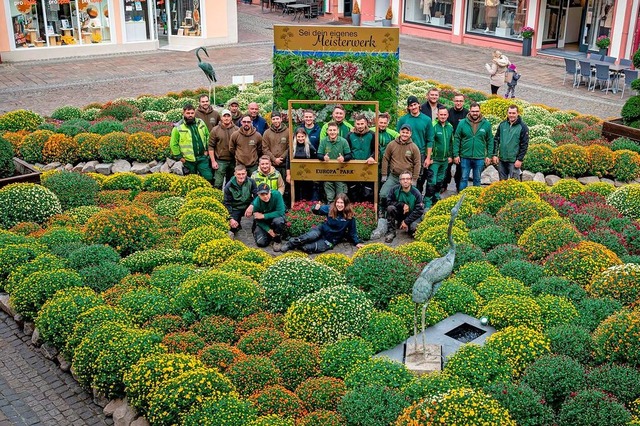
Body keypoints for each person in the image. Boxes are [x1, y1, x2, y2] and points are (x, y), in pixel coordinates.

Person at [279, 193, 364, 253]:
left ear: (346, 204)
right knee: (307, 238)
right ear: (335, 203)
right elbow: (316, 211)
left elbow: (352, 232)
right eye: (338, 202)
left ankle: (298, 245)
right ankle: (290, 244)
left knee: (307, 248)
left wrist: (356, 242)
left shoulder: (349, 217)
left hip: (330, 240)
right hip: (321, 230)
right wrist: (315, 208)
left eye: (342, 203)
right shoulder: (330, 208)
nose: (339, 205)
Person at [397, 95, 435, 196]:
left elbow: (430, 140)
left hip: (421, 153)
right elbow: (397, 137)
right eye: (411, 105)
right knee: (405, 176)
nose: (413, 107)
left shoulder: (426, 120)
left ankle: (417, 199)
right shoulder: (403, 120)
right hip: (405, 153)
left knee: (419, 178)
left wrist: (428, 157)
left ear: (418, 105)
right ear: (408, 107)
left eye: (415, 104)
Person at [380, 124, 421, 213]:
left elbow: (417, 163)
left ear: (410, 134)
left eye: (407, 133)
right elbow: (385, 158)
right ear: (399, 132)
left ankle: (409, 215)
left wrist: (414, 179)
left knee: (409, 198)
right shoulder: (392, 144)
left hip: (407, 178)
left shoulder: (414, 147)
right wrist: (384, 174)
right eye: (403, 132)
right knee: (383, 194)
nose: (405, 134)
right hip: (394, 176)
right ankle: (382, 211)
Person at [453, 102, 494, 190]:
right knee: (463, 178)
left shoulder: (486, 124)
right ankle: (461, 197)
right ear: (469, 111)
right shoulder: (462, 123)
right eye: (473, 111)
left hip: (479, 157)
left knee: (477, 179)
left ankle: (476, 198)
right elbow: (457, 139)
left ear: (480, 111)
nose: (475, 113)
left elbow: (490, 140)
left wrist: (489, 155)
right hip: (465, 156)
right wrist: (456, 154)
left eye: (477, 111)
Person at [169, 104, 213, 183]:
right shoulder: (178, 127)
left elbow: (207, 136)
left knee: (209, 177)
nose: (190, 115)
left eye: (192, 113)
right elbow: (173, 144)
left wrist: (207, 150)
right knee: (191, 181)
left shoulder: (201, 122)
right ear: (183, 113)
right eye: (188, 113)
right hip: (188, 160)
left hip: (202, 157)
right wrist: (180, 157)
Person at [384, 171, 425, 243]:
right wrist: (402, 205)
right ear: (400, 181)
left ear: (411, 181)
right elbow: (388, 202)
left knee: (414, 229)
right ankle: (391, 232)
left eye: (408, 179)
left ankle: (407, 226)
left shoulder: (416, 193)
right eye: (403, 179)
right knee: (390, 208)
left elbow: (420, 210)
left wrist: (406, 221)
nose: (405, 181)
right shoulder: (394, 190)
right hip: (399, 213)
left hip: (412, 215)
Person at [318, 121, 352, 203]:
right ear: (327, 131)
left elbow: (349, 155)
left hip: (341, 172)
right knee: (329, 192)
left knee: (341, 192)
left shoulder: (343, 141)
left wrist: (343, 158)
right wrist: (323, 157)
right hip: (328, 171)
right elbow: (318, 154)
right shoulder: (323, 141)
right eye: (330, 130)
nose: (332, 132)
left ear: (337, 131)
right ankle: (330, 207)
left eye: (334, 130)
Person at [492, 104, 529, 180]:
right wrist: (495, 154)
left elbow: (524, 145)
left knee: (515, 183)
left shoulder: (523, 127)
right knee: (502, 183)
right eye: (510, 113)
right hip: (502, 159)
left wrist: (520, 159)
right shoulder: (502, 125)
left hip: (514, 161)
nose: (511, 115)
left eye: (513, 113)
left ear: (517, 113)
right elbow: (496, 140)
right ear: (507, 113)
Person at [427, 106, 454, 208]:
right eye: (441, 114)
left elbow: (452, 142)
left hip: (445, 160)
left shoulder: (450, 127)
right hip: (435, 160)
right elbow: (430, 142)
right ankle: (428, 201)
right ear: (437, 115)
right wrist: (429, 157)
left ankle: (436, 197)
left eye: (445, 115)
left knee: (440, 180)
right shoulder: (433, 126)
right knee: (432, 181)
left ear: (447, 115)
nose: (443, 117)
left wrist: (450, 155)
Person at [246, 183, 286, 249]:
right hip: (264, 222)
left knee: (279, 221)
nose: (265, 196)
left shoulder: (277, 195)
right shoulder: (256, 203)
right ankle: (271, 234)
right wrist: (268, 230)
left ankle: (277, 240)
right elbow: (257, 219)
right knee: (261, 243)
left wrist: (264, 216)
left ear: (270, 192)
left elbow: (281, 212)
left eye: (267, 194)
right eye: (262, 194)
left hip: (276, 218)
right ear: (258, 195)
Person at [346, 114, 376, 201]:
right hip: (353, 166)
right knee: (353, 190)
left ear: (366, 123)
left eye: (362, 124)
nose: (360, 126)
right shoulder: (350, 135)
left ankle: (366, 209)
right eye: (358, 124)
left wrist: (372, 157)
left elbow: (376, 150)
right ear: (355, 124)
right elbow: (346, 150)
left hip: (368, 166)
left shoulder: (372, 135)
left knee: (367, 191)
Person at [223, 165, 258, 238]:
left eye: (243, 174)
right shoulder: (228, 186)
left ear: (246, 173)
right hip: (236, 208)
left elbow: (257, 196)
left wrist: (252, 206)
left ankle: (256, 228)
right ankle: (236, 226)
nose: (241, 176)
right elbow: (227, 203)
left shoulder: (251, 182)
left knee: (260, 210)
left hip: (248, 205)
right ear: (235, 174)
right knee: (233, 226)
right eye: (239, 174)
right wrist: (230, 218)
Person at [444, 93, 469, 193]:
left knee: (460, 168)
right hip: (449, 143)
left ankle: (459, 186)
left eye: (460, 101)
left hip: (461, 145)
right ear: (453, 101)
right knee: (447, 166)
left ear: (463, 102)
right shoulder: (448, 112)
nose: (458, 103)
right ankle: (444, 184)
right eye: (457, 101)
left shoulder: (467, 114)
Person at [208, 109, 238, 189]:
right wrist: (213, 161)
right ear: (221, 118)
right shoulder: (215, 130)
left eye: (228, 116)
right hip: (220, 161)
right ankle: (217, 199)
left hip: (233, 161)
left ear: (231, 118)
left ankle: (229, 200)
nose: (226, 118)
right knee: (218, 183)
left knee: (231, 183)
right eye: (224, 116)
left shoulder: (237, 130)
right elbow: (211, 146)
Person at [287, 127, 318, 201]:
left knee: (307, 193)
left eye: (302, 136)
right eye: (298, 137)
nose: (300, 138)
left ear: (305, 136)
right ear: (295, 137)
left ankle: (306, 208)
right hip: (295, 175)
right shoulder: (292, 148)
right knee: (296, 193)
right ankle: (296, 208)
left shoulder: (310, 148)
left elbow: (315, 161)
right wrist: (288, 175)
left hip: (307, 175)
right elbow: (288, 162)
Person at [262, 111, 289, 179]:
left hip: (284, 164)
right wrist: (274, 159)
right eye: (273, 119)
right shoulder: (267, 133)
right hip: (271, 165)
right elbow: (265, 148)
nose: (275, 121)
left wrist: (282, 158)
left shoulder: (288, 132)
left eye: (277, 118)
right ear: (271, 120)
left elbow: (290, 147)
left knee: (284, 184)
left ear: (281, 119)